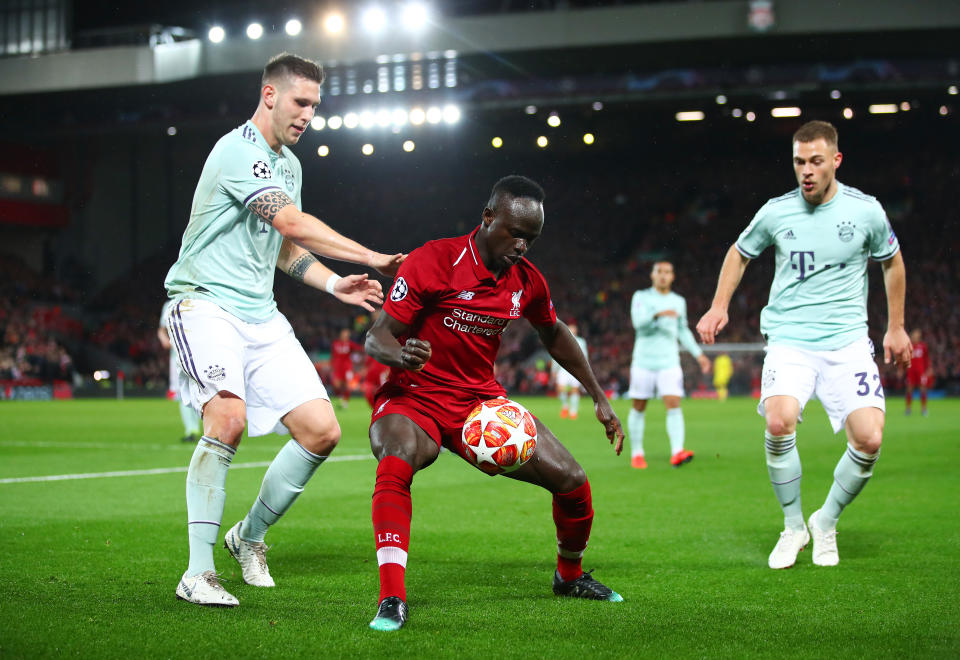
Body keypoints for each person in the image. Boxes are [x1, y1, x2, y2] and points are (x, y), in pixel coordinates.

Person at [164, 52, 403, 607]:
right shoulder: (235, 152)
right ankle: (198, 573)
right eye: (301, 102)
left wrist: (332, 284)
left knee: (322, 431)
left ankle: (247, 537)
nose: (308, 116)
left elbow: (282, 245)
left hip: (260, 313)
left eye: (315, 106)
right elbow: (290, 220)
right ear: (269, 95)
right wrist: (368, 255)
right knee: (227, 420)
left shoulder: (289, 166)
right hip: (205, 304)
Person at [364, 175, 625, 631]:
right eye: (516, 232)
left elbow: (554, 332)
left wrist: (598, 396)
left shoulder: (526, 281)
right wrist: (402, 354)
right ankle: (392, 597)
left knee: (572, 480)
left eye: (532, 238)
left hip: (478, 404)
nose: (523, 245)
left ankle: (569, 576)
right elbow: (377, 335)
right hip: (415, 397)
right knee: (396, 461)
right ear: (488, 217)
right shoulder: (435, 260)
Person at [695, 120, 912, 569]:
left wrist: (896, 327)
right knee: (779, 422)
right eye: (799, 162)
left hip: (848, 340)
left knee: (869, 439)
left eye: (816, 161)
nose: (806, 171)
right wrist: (719, 306)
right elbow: (739, 252)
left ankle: (825, 520)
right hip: (791, 338)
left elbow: (892, 262)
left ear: (836, 160)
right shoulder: (777, 212)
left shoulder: (866, 211)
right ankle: (793, 526)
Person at [626, 261, 711, 470]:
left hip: (669, 361)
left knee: (674, 403)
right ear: (652, 276)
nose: (663, 276)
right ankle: (637, 453)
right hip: (644, 360)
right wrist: (658, 314)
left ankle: (677, 451)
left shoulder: (678, 301)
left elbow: (683, 330)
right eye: (659, 272)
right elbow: (637, 323)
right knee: (639, 406)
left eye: (667, 272)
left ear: (673, 277)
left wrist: (698, 354)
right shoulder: (641, 297)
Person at [158, 299, 202, 443]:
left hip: (198, 354)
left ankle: (200, 428)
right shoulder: (170, 304)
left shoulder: (198, 301)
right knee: (181, 393)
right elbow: (161, 329)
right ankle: (191, 429)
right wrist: (165, 339)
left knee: (200, 391)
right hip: (177, 358)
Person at [551, 319, 588, 419]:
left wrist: (585, 370)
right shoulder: (560, 341)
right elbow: (555, 355)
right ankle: (565, 406)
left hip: (576, 368)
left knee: (575, 390)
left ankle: (573, 411)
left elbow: (585, 356)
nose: (572, 332)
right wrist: (554, 370)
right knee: (560, 389)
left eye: (574, 330)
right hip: (563, 368)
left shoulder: (581, 342)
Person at [330, 327, 363, 408]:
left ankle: (345, 403)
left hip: (347, 368)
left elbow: (360, 349)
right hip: (338, 368)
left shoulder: (350, 344)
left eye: (347, 334)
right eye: (344, 334)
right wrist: (332, 366)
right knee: (336, 385)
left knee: (347, 385)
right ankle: (341, 397)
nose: (346, 336)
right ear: (341, 335)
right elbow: (333, 356)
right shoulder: (335, 344)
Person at [904, 328, 931, 416]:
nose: (915, 337)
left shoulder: (923, 346)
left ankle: (924, 409)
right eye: (914, 335)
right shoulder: (909, 346)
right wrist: (901, 368)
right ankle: (908, 409)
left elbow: (926, 359)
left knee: (923, 389)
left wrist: (928, 369)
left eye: (917, 335)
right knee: (909, 390)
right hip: (911, 371)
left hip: (921, 372)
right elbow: (905, 358)